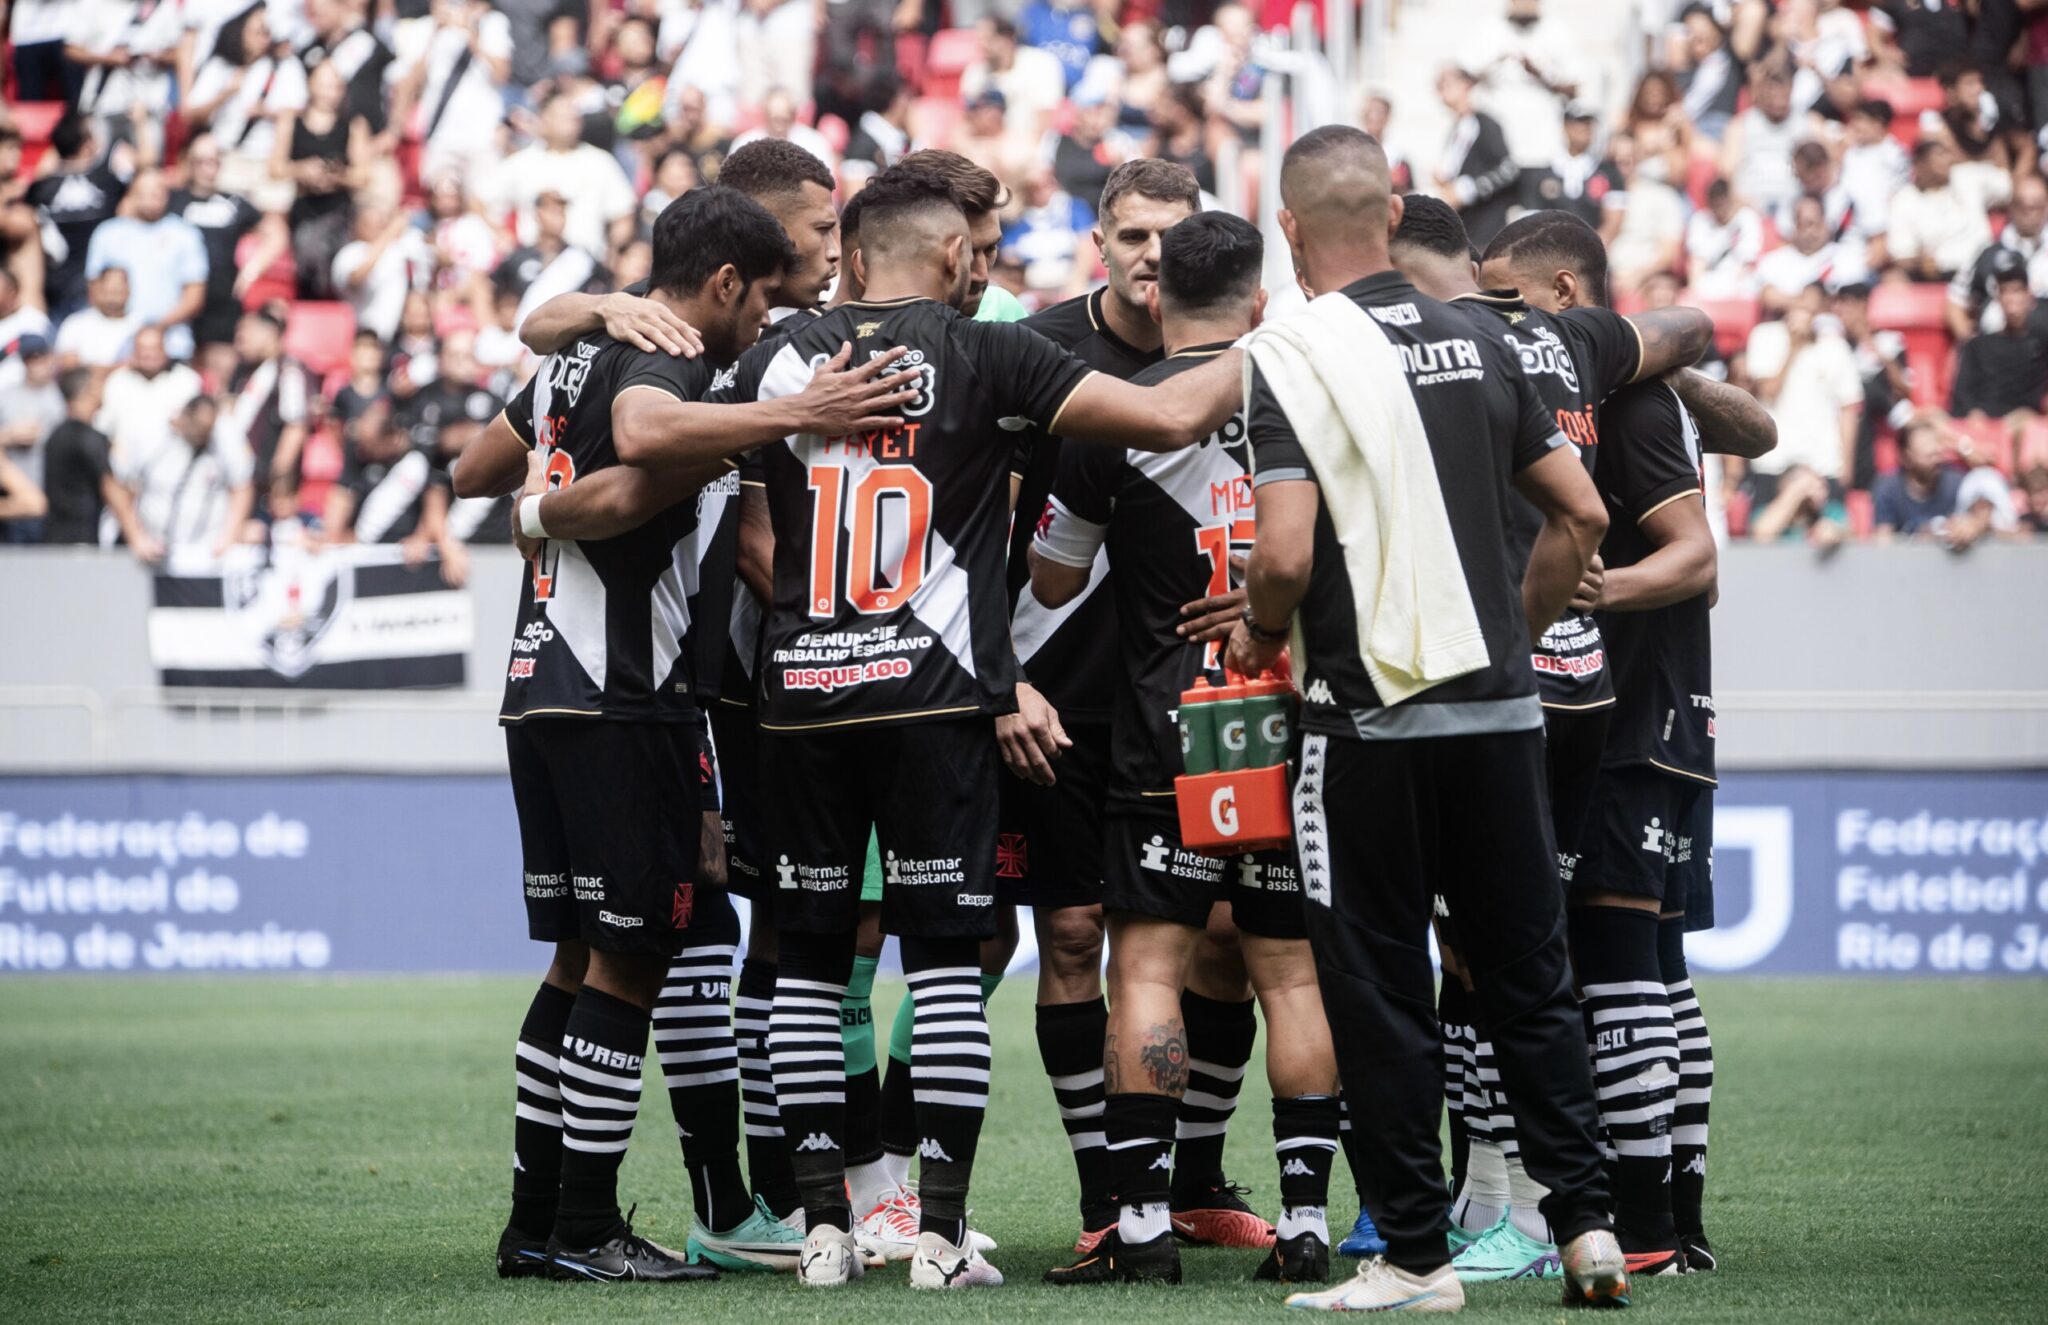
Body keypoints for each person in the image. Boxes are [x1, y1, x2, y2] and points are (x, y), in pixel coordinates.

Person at [619, 162, 1244, 1290]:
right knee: (945, 963)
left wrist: (580, 314)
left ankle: (820, 1229)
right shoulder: (987, 350)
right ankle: (941, 1239)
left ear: (855, 254)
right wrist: (1299, 338)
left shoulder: (776, 355)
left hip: (801, 698)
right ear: (956, 259)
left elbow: (646, 426)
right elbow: (1168, 410)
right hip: (934, 700)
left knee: (808, 967)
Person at [447, 184, 892, 1284]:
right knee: (634, 959)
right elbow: (640, 447)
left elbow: (475, 466)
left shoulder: (573, 355)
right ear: (730, 282)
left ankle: (536, 1220)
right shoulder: (672, 367)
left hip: (539, 682)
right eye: (761, 300)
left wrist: (576, 334)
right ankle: (588, 1223)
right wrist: (794, 416)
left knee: (573, 959)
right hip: (622, 696)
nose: (758, 331)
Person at [1222, 125, 1624, 1313]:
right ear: (1391, 215)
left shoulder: (1287, 353)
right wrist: (1503, 627)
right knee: (1528, 972)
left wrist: (1254, 630)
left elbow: (1284, 555)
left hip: (1365, 723)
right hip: (1501, 709)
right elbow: (1582, 515)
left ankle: (1411, 1255)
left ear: (1289, 233)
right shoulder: (1483, 335)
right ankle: (1588, 1225)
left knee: (1377, 981)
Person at [1034, 211, 1344, 1288]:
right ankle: (1307, 1221)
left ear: (1155, 299)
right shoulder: (1312, 396)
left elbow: (1052, 579)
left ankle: (1140, 1227)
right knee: (1290, 974)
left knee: (1148, 968)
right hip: (1291, 718)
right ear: (1259, 304)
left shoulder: (1111, 422)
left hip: (1167, 728)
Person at [1007, 160, 1275, 1258]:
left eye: (1170, 234)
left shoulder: (1256, 357)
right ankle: (1103, 1204)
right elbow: (980, 522)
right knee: (1072, 938)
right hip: (1058, 698)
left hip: (1202, 696)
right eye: (1128, 234)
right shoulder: (1037, 352)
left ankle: (1191, 1179)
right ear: (1099, 242)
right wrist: (995, 675)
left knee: (1220, 940)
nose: (1149, 254)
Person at [170, 134, 286, 384]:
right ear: (188, 162)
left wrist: (250, 271)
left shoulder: (233, 203)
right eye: (200, 161)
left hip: (221, 300)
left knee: (221, 373)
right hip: (178, 299)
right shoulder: (172, 200)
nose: (207, 168)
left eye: (213, 161)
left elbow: (276, 234)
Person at [1739, 284, 1863, 505]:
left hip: (1825, 463)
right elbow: (1768, 391)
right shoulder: (1765, 336)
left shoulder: (1835, 346)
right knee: (1766, 534)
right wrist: (1794, 347)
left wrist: (1847, 465)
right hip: (1773, 460)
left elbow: (1848, 409)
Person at [183, 5, 309, 215]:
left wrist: (265, 112)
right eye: (257, 31)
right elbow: (191, 115)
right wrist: (225, 93)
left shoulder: (285, 67)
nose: (263, 38)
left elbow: (299, 111)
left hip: (265, 163)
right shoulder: (221, 65)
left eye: (267, 32)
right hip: (226, 160)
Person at [82, 168, 208, 363]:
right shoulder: (107, 233)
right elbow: (94, 288)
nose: (152, 199)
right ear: (132, 193)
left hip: (172, 344)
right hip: (114, 344)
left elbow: (194, 295)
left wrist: (155, 329)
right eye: (146, 192)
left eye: (158, 192)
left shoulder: (185, 234)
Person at [496, 93, 640, 261]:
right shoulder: (521, 162)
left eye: (575, 116)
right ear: (544, 119)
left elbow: (623, 214)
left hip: (586, 267)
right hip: (531, 266)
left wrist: (614, 253)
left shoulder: (599, 162)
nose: (573, 120)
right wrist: (501, 234)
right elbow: (479, 200)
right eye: (564, 116)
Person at [121, 394, 255, 562]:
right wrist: (136, 536)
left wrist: (228, 538)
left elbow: (241, 487)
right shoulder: (152, 435)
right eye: (198, 427)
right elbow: (124, 488)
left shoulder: (225, 437)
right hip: (154, 551)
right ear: (184, 418)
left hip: (206, 553)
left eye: (208, 429)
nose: (203, 435)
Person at [24, 114, 129, 319]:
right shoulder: (108, 183)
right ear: (88, 144)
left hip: (51, 291)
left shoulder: (39, 188)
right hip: (98, 294)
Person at [39, 365, 150, 550]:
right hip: (82, 542)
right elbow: (110, 487)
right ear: (88, 390)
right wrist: (136, 537)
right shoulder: (89, 439)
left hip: (53, 539)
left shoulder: (55, 436)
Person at [1948, 173, 2047, 337]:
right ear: (2012, 207)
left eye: (2037, 207)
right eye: (2024, 207)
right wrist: (1973, 346)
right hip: (1997, 350)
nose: (2031, 214)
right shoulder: (1988, 253)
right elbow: (1955, 301)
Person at [1949, 262, 2048, 425]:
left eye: (2016, 291)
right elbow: (1962, 393)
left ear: (2028, 295)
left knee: (2025, 422)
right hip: (1980, 421)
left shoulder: (2041, 345)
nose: (2011, 299)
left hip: (2022, 421)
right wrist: (1972, 413)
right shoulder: (1978, 346)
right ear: (1998, 298)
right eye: (2005, 292)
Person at [1432, 66, 1519, 248]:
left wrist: (1468, 189)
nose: (1441, 91)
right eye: (1439, 86)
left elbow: (1508, 169)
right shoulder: (1458, 127)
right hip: (1466, 230)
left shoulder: (1486, 124)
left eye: (1446, 83)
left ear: (1466, 85)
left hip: (1485, 232)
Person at [98, 325, 203, 464]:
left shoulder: (187, 380)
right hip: (126, 467)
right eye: (143, 349)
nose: (149, 355)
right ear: (134, 352)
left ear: (165, 350)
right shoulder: (118, 381)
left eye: (154, 348)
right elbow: (104, 426)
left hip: (175, 466)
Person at [1755, 193, 1870, 313]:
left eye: (1814, 224)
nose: (1810, 232)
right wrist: (1805, 305)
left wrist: (1807, 308)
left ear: (1826, 223)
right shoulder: (1774, 260)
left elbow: (1852, 302)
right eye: (1803, 225)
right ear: (1794, 226)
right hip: (1784, 322)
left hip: (1832, 324)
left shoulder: (1846, 257)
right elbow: (1768, 296)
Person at [0, 336, 64, 540]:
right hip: (13, 495)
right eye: (29, 359)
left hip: (49, 494)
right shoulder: (7, 395)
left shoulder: (60, 396)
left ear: (50, 357)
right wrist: (8, 436)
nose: (35, 364)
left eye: (39, 358)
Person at [1872, 417, 1965, 539]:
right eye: (1929, 455)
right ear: (1906, 458)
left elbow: (1967, 525)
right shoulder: (1888, 489)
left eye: (1938, 452)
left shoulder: (1956, 485)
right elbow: (1883, 539)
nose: (1937, 458)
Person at [55, 267, 144, 372]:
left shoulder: (140, 326)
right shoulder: (75, 324)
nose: (115, 291)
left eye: (119, 288)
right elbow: (68, 366)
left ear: (128, 290)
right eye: (110, 288)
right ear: (97, 289)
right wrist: (114, 369)